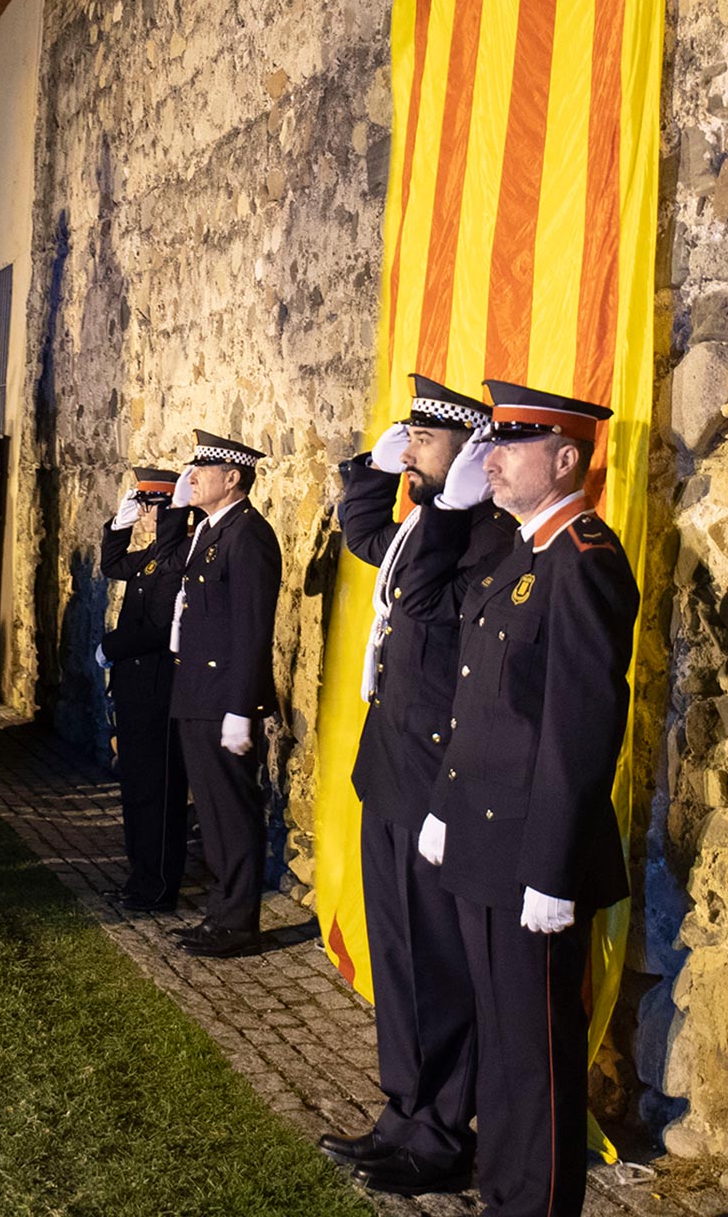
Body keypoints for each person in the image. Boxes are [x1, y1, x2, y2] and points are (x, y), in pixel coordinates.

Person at [411, 379, 638, 1217]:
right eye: (492, 442)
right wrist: (443, 804)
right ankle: (505, 1197)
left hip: (534, 857)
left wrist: (553, 870)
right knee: (503, 1050)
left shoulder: (584, 563)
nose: (491, 458)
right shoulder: (520, 556)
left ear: (567, 457)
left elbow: (579, 736)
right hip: (481, 840)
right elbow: (480, 702)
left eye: (511, 444)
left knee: (538, 1060)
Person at [317, 374, 500, 1197]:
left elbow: (419, 590)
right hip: (391, 767)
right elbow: (369, 544)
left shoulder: (478, 534)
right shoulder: (423, 525)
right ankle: (404, 1109)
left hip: (436, 776)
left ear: (468, 454)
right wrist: (368, 468)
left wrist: (449, 506)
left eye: (425, 442)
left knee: (438, 961)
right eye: (410, 440)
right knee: (397, 955)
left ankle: (440, 1134)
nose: (412, 453)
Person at [167, 429, 282, 959]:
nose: (191, 478)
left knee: (231, 810)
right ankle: (221, 914)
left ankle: (238, 922)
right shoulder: (211, 529)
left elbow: (252, 628)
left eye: (201, 471)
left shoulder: (248, 535)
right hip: (197, 692)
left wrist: (243, 707)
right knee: (210, 811)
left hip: (223, 698)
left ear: (232, 478)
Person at [94, 466, 195, 912]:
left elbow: (157, 628)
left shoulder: (178, 556)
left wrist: (109, 646)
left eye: (151, 507)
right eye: (143, 507)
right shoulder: (154, 554)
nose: (146, 516)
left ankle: (156, 885)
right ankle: (140, 879)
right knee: (136, 790)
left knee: (157, 793)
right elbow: (113, 565)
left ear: (171, 508)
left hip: (159, 692)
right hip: (137, 691)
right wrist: (119, 525)